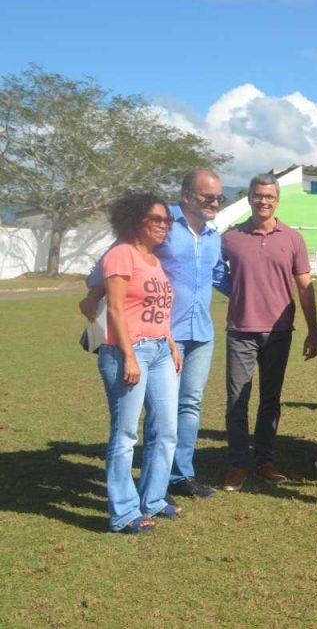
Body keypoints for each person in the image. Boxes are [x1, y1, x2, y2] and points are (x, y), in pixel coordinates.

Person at [81, 168, 230, 499]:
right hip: (159, 334)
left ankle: (179, 475)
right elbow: (117, 255)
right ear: (188, 196)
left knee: (189, 404)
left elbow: (220, 275)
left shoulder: (213, 236)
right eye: (209, 197)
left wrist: (258, 296)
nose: (215, 203)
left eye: (220, 198)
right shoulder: (161, 221)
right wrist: (94, 292)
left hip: (201, 332)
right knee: (157, 412)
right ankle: (152, 483)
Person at [221, 174, 317, 491]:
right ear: (249, 197)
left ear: (277, 200)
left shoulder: (292, 238)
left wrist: (313, 330)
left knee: (270, 399)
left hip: (279, 331)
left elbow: (305, 286)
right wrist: (237, 291)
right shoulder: (230, 237)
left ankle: (264, 461)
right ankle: (237, 464)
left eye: (269, 196)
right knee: (237, 400)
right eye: (258, 195)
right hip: (240, 330)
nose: (263, 201)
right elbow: (210, 272)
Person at [96, 193, 183, 533]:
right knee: (125, 435)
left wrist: (171, 344)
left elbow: (157, 309)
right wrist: (129, 355)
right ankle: (124, 514)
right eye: (155, 219)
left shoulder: (153, 260)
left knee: (166, 429)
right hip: (128, 352)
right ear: (135, 221)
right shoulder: (120, 254)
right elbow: (116, 309)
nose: (163, 225)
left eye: (167, 220)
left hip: (160, 351)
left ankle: (153, 499)